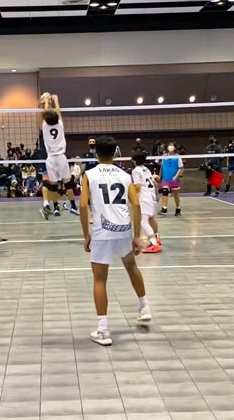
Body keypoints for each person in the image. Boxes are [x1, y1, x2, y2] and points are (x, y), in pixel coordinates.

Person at [79, 136, 152, 346]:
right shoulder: (125, 174)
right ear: (116, 152)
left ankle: (103, 331)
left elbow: (83, 206)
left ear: (96, 153)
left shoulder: (89, 174)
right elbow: (136, 205)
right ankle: (144, 306)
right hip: (123, 229)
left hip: (102, 232)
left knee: (100, 279)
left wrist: (86, 235)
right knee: (131, 266)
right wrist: (137, 236)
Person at [39, 93, 79, 220]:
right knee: (68, 184)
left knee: (53, 186)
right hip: (62, 158)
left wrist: (46, 101)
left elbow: (45, 113)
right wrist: (56, 100)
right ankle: (73, 206)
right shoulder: (60, 125)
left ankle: (56, 208)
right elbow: (58, 112)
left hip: (51, 159)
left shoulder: (45, 126)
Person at [131, 151, 161, 253]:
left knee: (143, 221)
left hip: (144, 198)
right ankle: (156, 238)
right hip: (151, 196)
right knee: (151, 218)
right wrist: (156, 195)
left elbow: (137, 186)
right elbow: (155, 183)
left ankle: (154, 243)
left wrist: (133, 198)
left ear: (134, 160)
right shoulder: (146, 169)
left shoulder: (136, 171)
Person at [158, 142, 183, 216]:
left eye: (172, 146)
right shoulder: (164, 156)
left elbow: (180, 168)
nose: (170, 147)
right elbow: (161, 166)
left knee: (176, 195)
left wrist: (176, 176)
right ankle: (164, 208)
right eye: (169, 146)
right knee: (165, 192)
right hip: (165, 178)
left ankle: (178, 208)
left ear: (175, 148)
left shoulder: (178, 156)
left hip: (174, 179)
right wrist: (160, 176)